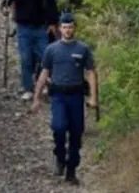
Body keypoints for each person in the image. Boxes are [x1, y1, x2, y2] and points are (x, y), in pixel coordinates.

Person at [32, 13, 98, 186]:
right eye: (64, 27)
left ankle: (71, 170)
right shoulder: (51, 50)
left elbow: (91, 73)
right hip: (59, 95)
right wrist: (36, 97)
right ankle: (60, 155)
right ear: (60, 29)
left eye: (70, 27)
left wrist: (93, 97)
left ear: (74, 28)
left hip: (76, 95)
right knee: (59, 127)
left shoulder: (83, 49)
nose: (67, 30)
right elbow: (44, 73)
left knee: (76, 133)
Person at [1, 0, 54, 100]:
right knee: (26, 58)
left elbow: (51, 4)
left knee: (44, 57)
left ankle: (44, 85)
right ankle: (27, 87)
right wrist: (6, 10)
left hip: (40, 27)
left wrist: (53, 22)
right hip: (23, 28)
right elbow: (5, 3)